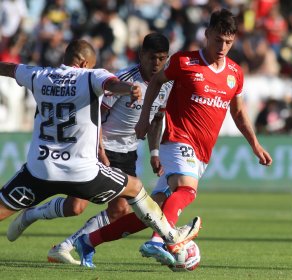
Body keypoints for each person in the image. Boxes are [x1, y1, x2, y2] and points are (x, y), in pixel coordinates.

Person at [74, 8, 272, 267]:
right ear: (207, 34)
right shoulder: (184, 62)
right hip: (178, 140)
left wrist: (255, 145)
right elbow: (155, 83)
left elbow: (238, 111)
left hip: (202, 152)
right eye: (217, 40)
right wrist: (145, 119)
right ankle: (158, 241)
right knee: (187, 191)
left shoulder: (235, 73)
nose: (222, 46)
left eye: (228, 41)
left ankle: (89, 241)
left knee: (153, 210)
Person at [0, 39, 201, 267]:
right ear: (86, 63)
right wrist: (101, 149)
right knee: (116, 198)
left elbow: (8, 68)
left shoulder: (39, 74)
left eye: (162, 57)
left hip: (56, 162)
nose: (156, 62)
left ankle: (58, 238)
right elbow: (107, 95)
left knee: (102, 208)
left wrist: (154, 151)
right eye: (152, 57)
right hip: (94, 152)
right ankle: (170, 238)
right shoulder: (95, 76)